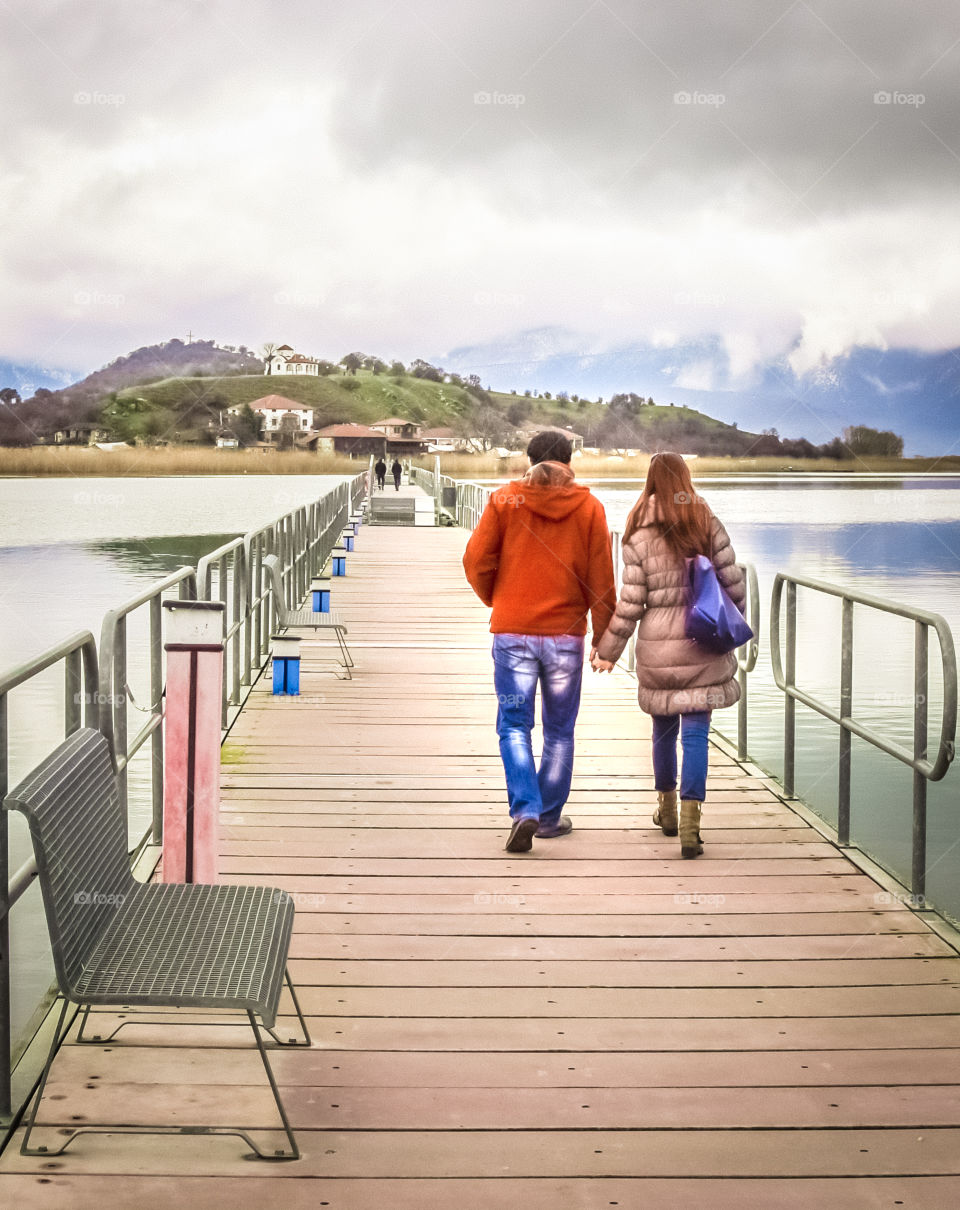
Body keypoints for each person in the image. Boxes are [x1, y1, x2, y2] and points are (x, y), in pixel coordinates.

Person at [463, 432, 616, 853]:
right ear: (571, 462)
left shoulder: (504, 500)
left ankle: (525, 810)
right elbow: (602, 581)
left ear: (527, 460)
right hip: (565, 637)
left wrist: (500, 599)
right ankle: (548, 819)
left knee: (514, 725)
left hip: (513, 633)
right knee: (560, 731)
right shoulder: (589, 508)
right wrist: (604, 638)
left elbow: (475, 561)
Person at [591, 452, 745, 858]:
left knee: (663, 731)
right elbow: (734, 585)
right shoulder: (706, 523)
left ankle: (667, 810)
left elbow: (630, 604)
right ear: (685, 479)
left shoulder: (637, 534)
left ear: (651, 484)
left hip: (657, 648)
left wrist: (608, 650)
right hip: (703, 642)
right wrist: (729, 625)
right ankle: (692, 824)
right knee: (696, 733)